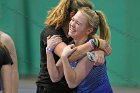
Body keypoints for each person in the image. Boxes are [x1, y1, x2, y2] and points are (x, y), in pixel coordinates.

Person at [36, 0, 112, 93]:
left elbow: (72, 83)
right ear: (71, 15)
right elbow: (55, 77)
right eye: (73, 20)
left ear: (88, 30)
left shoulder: (91, 51)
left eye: (78, 23)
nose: (72, 24)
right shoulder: (71, 45)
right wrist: (48, 51)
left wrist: (64, 58)